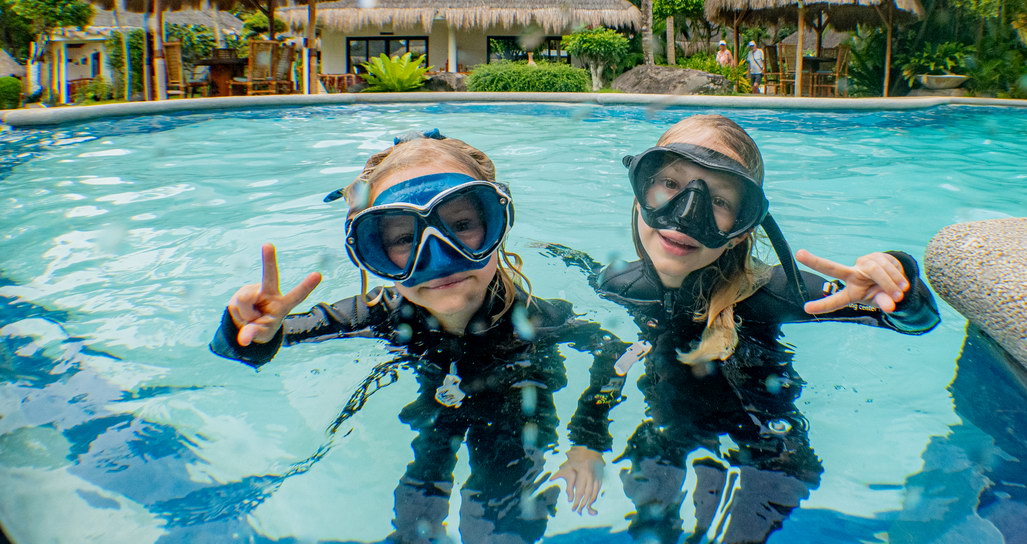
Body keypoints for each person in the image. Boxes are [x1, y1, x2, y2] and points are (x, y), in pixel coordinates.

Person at [211, 131, 625, 542]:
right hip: (437, 410)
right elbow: (262, 344)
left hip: (521, 412)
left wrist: (589, 438)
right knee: (415, 513)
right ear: (372, 252)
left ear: (497, 226)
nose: (438, 258)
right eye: (406, 239)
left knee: (499, 522)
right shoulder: (381, 313)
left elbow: (616, 353)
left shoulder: (536, 317)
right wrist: (250, 331)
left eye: (461, 225)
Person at [593, 114, 940, 544]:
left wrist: (897, 282)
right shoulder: (619, 285)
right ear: (640, 188)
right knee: (650, 528)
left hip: (768, 450)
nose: (686, 215)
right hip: (668, 426)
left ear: (741, 231)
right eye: (670, 183)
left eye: (719, 201)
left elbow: (916, 322)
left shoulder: (770, 291)